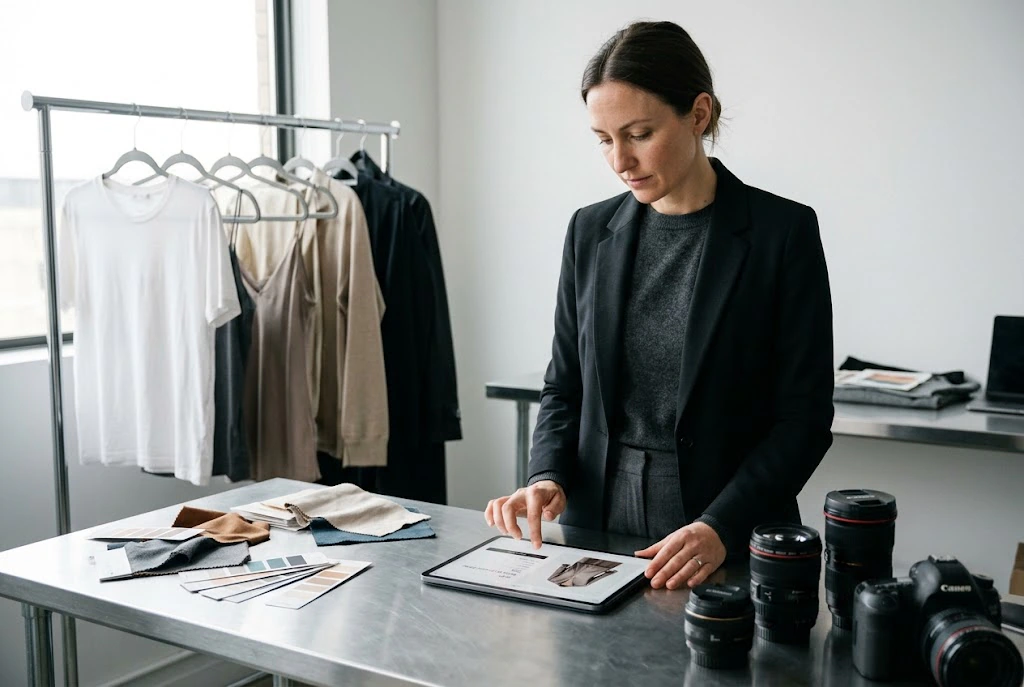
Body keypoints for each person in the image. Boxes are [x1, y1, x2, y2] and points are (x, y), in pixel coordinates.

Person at [484, 20, 834, 592]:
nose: (620, 160)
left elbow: (805, 418)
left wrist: (721, 524)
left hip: (726, 524)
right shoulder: (589, 230)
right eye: (603, 139)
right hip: (595, 522)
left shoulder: (782, 232)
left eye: (639, 133)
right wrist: (546, 475)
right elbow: (564, 386)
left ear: (698, 114)